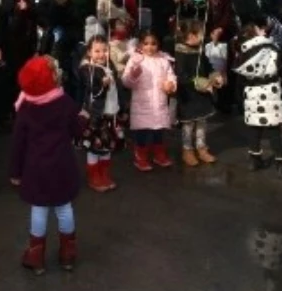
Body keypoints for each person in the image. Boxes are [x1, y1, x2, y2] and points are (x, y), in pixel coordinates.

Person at [10, 56, 82, 275]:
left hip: (36, 169)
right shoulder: (65, 102)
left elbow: (18, 143)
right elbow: (76, 129)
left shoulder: (26, 108)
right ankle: (68, 253)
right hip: (62, 165)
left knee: (39, 209)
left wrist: (15, 171)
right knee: (64, 207)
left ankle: (36, 256)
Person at [233, 21, 282, 176]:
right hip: (270, 92)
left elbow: (240, 79)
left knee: (254, 128)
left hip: (251, 94)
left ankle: (254, 160)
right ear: (256, 34)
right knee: (273, 129)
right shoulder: (270, 49)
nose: (263, 29)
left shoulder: (242, 53)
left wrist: (240, 99)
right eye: (259, 28)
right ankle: (280, 163)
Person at [122, 31, 178, 171]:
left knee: (158, 131)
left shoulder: (163, 60)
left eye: (153, 43)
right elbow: (126, 82)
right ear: (140, 44)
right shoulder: (136, 59)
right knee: (142, 132)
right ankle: (140, 156)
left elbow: (171, 76)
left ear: (158, 44)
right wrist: (133, 75)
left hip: (159, 103)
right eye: (146, 43)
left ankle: (159, 154)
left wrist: (171, 84)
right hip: (142, 104)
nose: (150, 47)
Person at [76, 36, 126, 192]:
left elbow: (117, 91)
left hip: (111, 114)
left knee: (108, 147)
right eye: (97, 51)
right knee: (94, 148)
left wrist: (122, 109)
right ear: (89, 52)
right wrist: (102, 85)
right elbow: (93, 90)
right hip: (97, 117)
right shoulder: (88, 69)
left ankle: (104, 174)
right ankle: (94, 176)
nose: (101, 54)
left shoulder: (108, 67)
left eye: (105, 50)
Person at [173, 19, 222, 166]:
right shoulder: (180, 53)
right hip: (188, 95)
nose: (202, 36)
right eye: (200, 33)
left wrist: (215, 75)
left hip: (202, 94)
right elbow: (181, 76)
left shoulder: (199, 50)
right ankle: (187, 150)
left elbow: (207, 66)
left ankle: (201, 148)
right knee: (188, 124)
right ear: (190, 36)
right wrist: (200, 82)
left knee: (202, 122)